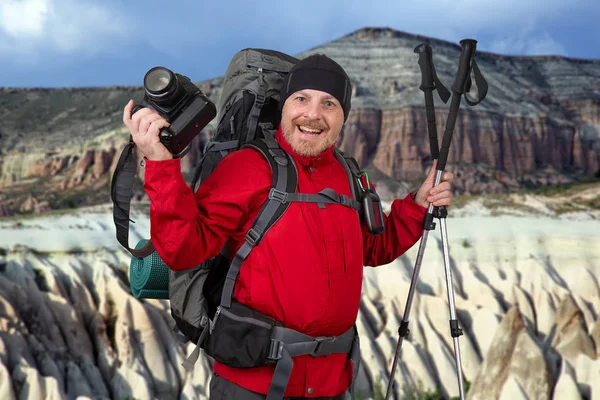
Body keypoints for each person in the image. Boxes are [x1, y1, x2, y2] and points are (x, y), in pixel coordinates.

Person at [122, 54, 454, 400]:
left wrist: (417, 205)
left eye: (329, 103)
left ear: (344, 117)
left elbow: (373, 247)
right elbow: (184, 249)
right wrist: (161, 165)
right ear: (284, 107)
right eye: (301, 99)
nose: (313, 114)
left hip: (332, 386)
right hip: (252, 387)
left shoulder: (349, 175)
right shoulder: (247, 167)